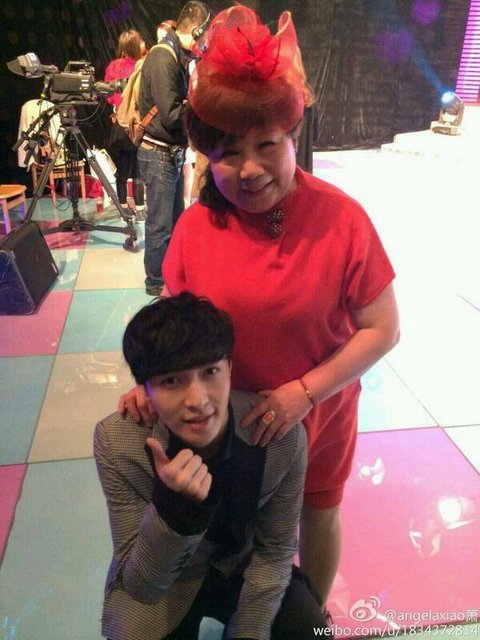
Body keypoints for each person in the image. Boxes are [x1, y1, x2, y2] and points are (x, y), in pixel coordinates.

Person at [118, 5, 400, 604]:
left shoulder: (342, 219)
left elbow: (383, 329)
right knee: (237, 524)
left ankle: (311, 614)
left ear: (292, 138)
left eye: (266, 145)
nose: (249, 170)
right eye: (227, 153)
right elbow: (174, 325)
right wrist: (150, 383)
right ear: (205, 157)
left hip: (319, 411)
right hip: (223, 420)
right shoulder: (195, 227)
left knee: (318, 512)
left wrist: (306, 392)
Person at [95, 293, 329, 639]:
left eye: (210, 372)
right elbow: (142, 587)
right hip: (168, 578)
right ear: (144, 388)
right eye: (171, 381)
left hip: (245, 566)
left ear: (230, 367)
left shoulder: (279, 435)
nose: (198, 400)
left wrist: (248, 633)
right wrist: (175, 508)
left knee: (309, 629)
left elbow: (275, 549)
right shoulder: (119, 441)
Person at [138, 1, 211, 296]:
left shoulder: (177, 55)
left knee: (176, 221)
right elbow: (169, 114)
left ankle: (172, 276)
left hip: (169, 153)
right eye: (204, 39)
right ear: (197, 31)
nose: (205, 46)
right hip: (158, 153)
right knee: (160, 225)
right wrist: (201, 105)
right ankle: (156, 283)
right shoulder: (163, 57)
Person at [105, 30, 146, 218]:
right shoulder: (141, 65)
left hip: (119, 124)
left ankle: (122, 207)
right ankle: (140, 208)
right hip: (137, 123)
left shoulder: (113, 67)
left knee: (122, 167)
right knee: (138, 168)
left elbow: (109, 96)